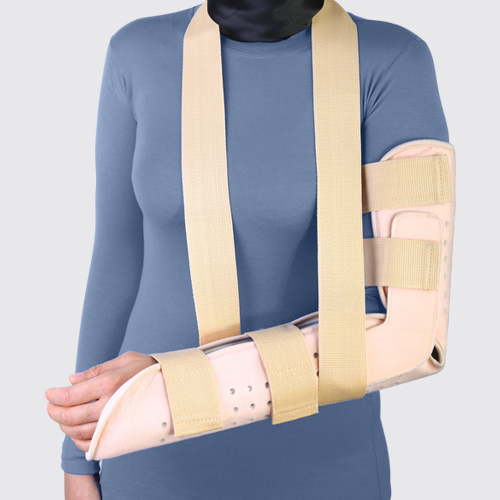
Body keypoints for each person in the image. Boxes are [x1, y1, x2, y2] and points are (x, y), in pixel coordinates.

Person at [45, 1, 449, 498]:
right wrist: (78, 456)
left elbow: (408, 334)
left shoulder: (392, 60)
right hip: (146, 458)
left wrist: (171, 386)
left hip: (320, 466)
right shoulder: (137, 52)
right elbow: (117, 262)